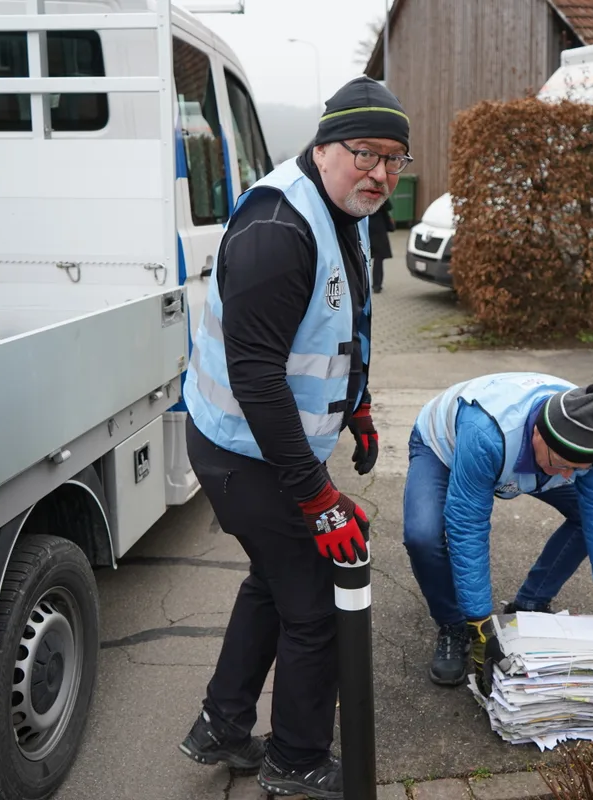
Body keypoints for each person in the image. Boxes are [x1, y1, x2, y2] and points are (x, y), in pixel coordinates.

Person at [177, 76, 412, 800]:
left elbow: (346, 329)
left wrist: (359, 407)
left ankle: (221, 724)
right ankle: (297, 761)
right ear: (324, 145)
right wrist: (318, 497)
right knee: (313, 597)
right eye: (364, 152)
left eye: (394, 158)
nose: (379, 172)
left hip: (266, 449)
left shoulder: (349, 210)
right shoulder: (279, 232)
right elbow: (256, 376)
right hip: (242, 452)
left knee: (271, 583)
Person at [401, 371, 593, 690]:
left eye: (577, 469)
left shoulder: (592, 435)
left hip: (524, 460)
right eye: (562, 464)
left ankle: (530, 604)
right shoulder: (485, 432)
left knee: (587, 514)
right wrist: (479, 624)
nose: (567, 475)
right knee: (422, 535)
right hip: (446, 449)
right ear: (538, 434)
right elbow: (467, 526)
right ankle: (453, 625)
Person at [367, 197, 395, 292]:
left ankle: (362, 284)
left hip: (365, 226)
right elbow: (389, 207)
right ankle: (377, 285)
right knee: (378, 259)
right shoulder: (381, 194)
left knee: (363, 258)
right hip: (379, 227)